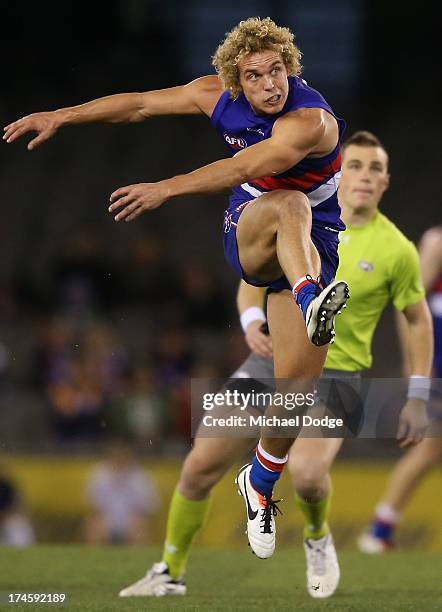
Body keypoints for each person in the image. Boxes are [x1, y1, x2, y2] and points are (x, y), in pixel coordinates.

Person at [3, 17, 351, 558]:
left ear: (291, 68)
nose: (270, 84)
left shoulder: (310, 121)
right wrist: (63, 115)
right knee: (288, 203)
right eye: (256, 76)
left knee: (294, 397)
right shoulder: (215, 94)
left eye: (277, 71)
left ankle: (259, 482)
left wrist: (165, 187)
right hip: (256, 231)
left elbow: (248, 162)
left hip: (316, 242)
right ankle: (310, 299)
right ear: (237, 80)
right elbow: (139, 104)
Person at [117, 130, 433, 600]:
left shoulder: (398, 250)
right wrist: (249, 320)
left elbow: (418, 320)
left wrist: (418, 396)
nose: (365, 176)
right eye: (357, 165)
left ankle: (316, 536)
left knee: (306, 477)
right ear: (340, 171)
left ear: (387, 181)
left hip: (337, 379)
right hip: (269, 367)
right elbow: (252, 280)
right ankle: (170, 571)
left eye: (376, 168)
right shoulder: (299, 217)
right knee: (200, 465)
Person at [358, 225, 442, 553]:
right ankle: (380, 528)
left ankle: (380, 528)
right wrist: (415, 366)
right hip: (437, 365)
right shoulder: (437, 243)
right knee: (430, 445)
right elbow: (409, 306)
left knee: (431, 447)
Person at [84, 441, 159, 545]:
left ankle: (138, 560)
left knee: (140, 527)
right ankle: (94, 559)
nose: (119, 457)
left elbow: (149, 508)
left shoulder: (141, 477)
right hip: (106, 519)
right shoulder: (99, 474)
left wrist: (138, 518)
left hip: (132, 520)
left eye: (123, 453)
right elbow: (93, 507)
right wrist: (99, 518)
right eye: (116, 453)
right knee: (94, 525)